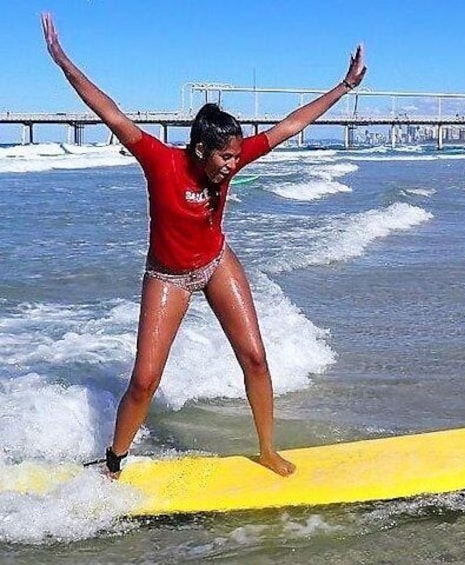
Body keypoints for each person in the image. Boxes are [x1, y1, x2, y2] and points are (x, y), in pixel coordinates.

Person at [41, 13, 366, 477]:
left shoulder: (231, 161)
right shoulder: (159, 161)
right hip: (168, 275)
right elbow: (108, 110)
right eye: (226, 156)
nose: (234, 164)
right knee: (145, 379)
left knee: (254, 357)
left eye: (237, 154)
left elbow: (292, 125)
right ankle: (114, 461)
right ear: (200, 150)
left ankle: (268, 450)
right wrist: (63, 62)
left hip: (216, 263)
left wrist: (345, 87)